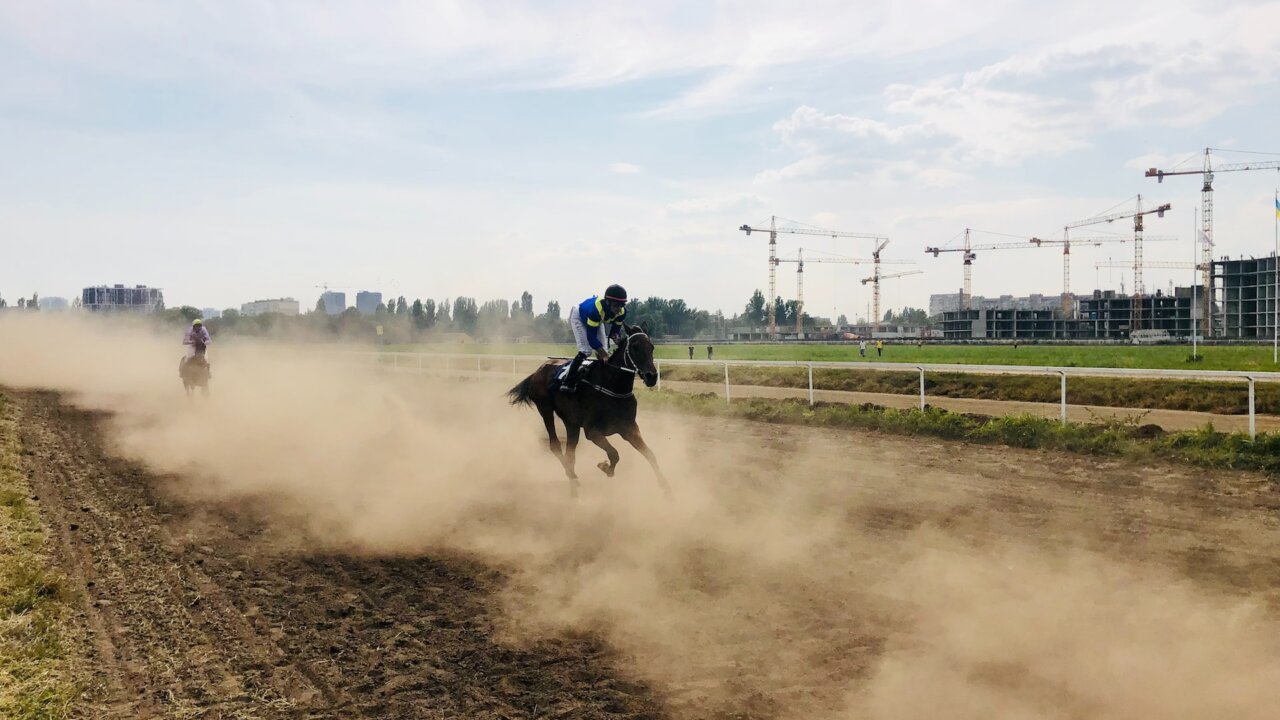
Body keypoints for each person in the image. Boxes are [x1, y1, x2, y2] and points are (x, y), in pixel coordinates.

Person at [560, 284, 628, 392]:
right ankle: (568, 382)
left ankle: (602, 383)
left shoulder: (622, 312)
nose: (618, 309)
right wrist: (603, 354)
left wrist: (616, 337)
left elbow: (615, 331)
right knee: (586, 350)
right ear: (608, 302)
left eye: (621, 305)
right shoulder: (596, 311)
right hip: (579, 317)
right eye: (616, 305)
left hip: (597, 321)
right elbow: (591, 337)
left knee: (604, 352)